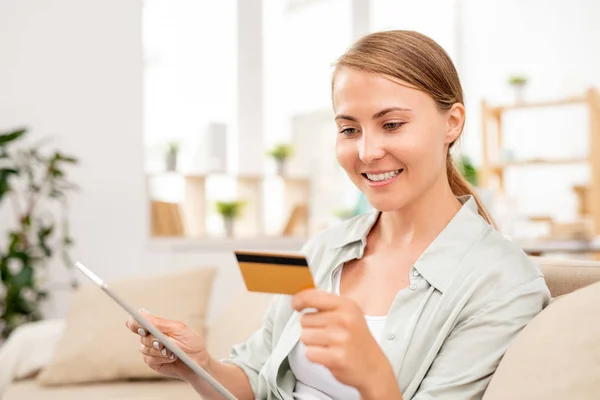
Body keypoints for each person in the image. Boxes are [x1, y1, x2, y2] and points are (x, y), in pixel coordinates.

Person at [126, 30, 551, 400]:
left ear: (452, 123)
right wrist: (198, 366)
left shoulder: (505, 284)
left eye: (392, 124)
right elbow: (257, 379)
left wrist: (373, 378)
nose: (366, 152)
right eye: (349, 129)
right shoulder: (323, 248)